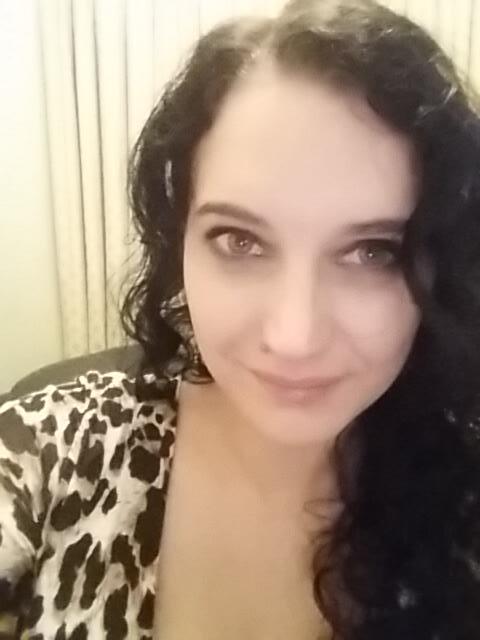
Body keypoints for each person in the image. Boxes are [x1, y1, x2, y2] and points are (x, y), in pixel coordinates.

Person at [2, 0, 480, 637]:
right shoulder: (50, 451)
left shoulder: (464, 492)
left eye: (373, 252)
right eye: (240, 241)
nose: (294, 336)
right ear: (179, 241)